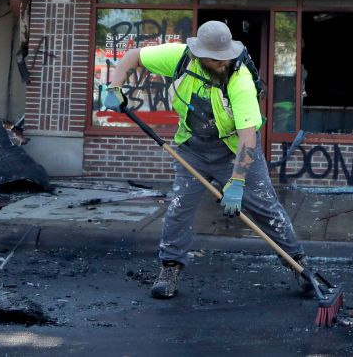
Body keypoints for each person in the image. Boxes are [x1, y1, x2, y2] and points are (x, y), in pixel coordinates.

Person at [102, 20, 308, 299]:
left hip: (235, 151)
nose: (223, 63)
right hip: (193, 150)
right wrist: (114, 88)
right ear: (199, 55)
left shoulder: (240, 80)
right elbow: (132, 57)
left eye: (226, 58)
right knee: (179, 208)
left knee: (267, 209)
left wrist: (236, 182)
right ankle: (170, 267)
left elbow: (248, 137)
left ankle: (299, 264)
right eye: (216, 59)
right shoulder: (179, 59)